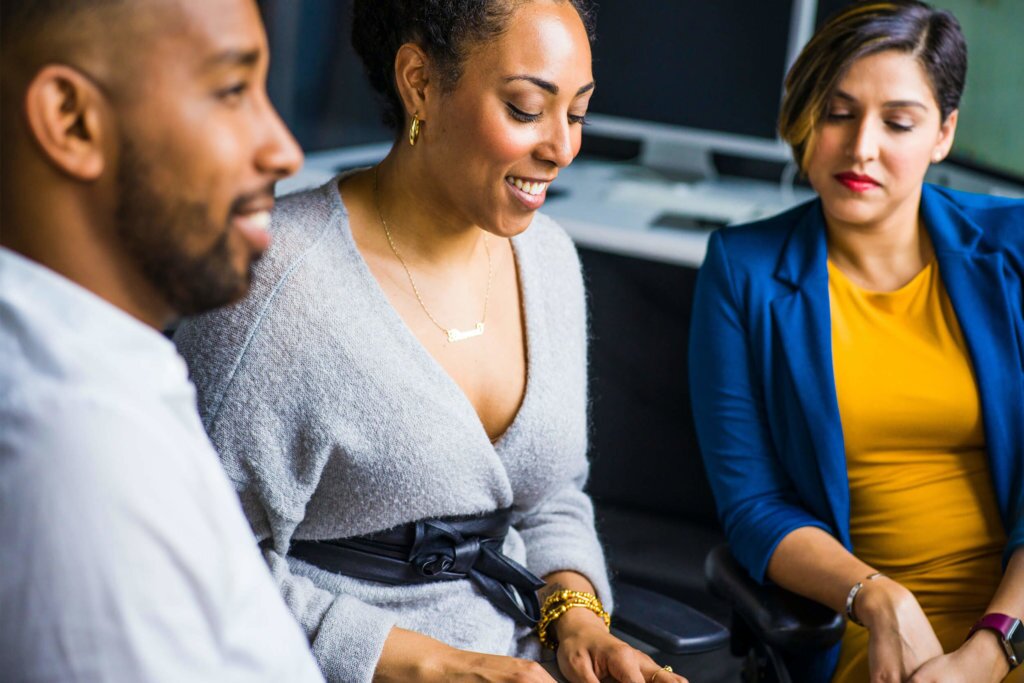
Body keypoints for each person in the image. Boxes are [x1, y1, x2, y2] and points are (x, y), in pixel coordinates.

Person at [174, 1, 687, 682]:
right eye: (528, 108)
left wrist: (579, 617)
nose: (562, 147)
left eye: (578, 112)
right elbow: (190, 564)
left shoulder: (551, 261)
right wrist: (428, 664)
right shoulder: (277, 282)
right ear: (418, 81)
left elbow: (552, 497)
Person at [689, 1, 1024, 681]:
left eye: (898, 121)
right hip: (875, 632)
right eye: (838, 113)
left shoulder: (1014, 246)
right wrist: (878, 597)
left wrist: (993, 646)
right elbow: (753, 506)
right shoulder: (740, 270)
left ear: (943, 133)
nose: (861, 145)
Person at [0, 1, 325, 681]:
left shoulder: (92, 366)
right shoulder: (81, 450)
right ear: (71, 119)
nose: (284, 150)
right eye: (233, 90)